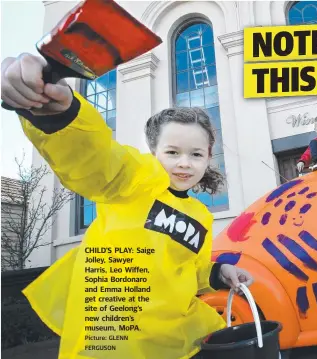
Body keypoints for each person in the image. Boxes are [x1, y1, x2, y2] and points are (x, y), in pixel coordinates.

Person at [1, 53, 254, 359]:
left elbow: (187, 268)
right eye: (172, 152)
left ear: (208, 157)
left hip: (177, 341)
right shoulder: (137, 178)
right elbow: (97, 161)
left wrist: (218, 272)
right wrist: (60, 116)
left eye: (196, 154)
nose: (185, 163)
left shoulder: (200, 215)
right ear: (154, 152)